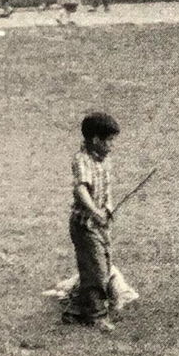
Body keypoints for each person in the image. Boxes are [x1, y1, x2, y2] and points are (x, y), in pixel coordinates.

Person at [66, 112, 120, 330]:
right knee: (95, 269)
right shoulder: (82, 160)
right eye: (109, 141)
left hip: (99, 224)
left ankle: (76, 310)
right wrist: (94, 211)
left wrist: (107, 209)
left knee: (103, 266)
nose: (112, 145)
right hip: (84, 225)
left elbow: (107, 191)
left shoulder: (105, 161)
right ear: (96, 140)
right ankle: (96, 316)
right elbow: (81, 190)